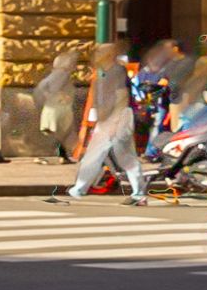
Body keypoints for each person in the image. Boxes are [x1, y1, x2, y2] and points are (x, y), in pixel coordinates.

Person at [60, 55, 150, 205]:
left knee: (122, 156)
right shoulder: (107, 74)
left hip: (117, 118)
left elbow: (120, 98)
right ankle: (80, 188)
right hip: (113, 118)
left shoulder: (115, 74)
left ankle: (139, 193)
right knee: (103, 154)